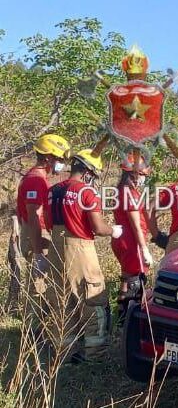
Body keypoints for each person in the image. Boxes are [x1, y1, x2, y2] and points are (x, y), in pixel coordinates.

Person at [45, 149, 122, 361]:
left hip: (55, 247)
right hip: (80, 248)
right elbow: (97, 227)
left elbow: (48, 223)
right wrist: (113, 230)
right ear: (88, 172)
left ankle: (65, 355)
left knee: (62, 301)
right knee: (93, 299)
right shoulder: (87, 193)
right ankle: (94, 354)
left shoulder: (52, 191)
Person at [10, 134, 71, 314]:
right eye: (59, 159)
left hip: (37, 236)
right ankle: (35, 333)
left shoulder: (38, 178)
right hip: (36, 237)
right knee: (38, 287)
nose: (61, 163)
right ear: (48, 157)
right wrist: (38, 254)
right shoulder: (35, 180)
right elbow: (33, 216)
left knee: (40, 285)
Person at [112, 153, 157, 325]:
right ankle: (131, 322)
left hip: (122, 240)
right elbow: (136, 225)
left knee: (126, 279)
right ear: (134, 173)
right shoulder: (129, 193)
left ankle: (121, 320)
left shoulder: (120, 190)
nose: (144, 178)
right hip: (132, 242)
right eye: (143, 175)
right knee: (136, 282)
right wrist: (144, 249)